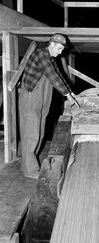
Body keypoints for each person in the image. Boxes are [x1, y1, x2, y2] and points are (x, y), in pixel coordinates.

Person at [19, 33, 78, 179]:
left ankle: (29, 159)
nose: (60, 52)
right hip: (31, 96)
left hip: (43, 98)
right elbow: (52, 75)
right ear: (51, 44)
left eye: (62, 49)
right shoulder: (41, 54)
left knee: (40, 131)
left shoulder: (51, 59)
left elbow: (59, 75)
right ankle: (30, 170)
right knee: (31, 132)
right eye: (58, 48)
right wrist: (68, 96)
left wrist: (72, 93)